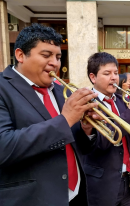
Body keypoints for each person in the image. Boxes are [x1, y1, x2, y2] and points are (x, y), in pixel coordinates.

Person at [0, 23, 100, 206]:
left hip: (74, 195)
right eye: (46, 55)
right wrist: (66, 119)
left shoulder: (61, 91)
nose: (55, 62)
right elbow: (4, 147)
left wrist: (86, 129)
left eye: (58, 57)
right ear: (20, 55)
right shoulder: (2, 87)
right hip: (32, 199)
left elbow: (73, 144)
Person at [74, 52, 130, 206]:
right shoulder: (88, 105)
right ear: (93, 77)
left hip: (128, 181)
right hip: (103, 185)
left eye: (116, 73)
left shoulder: (122, 100)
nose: (114, 77)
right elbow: (102, 142)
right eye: (107, 73)